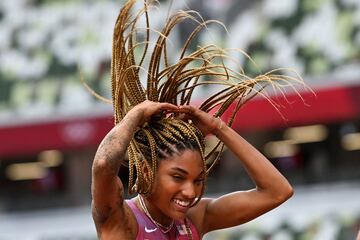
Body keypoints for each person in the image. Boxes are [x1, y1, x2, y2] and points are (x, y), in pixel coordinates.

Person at [91, 0, 297, 239]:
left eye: (198, 180)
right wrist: (134, 117)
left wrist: (218, 127)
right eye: (178, 177)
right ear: (147, 171)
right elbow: (104, 166)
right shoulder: (123, 221)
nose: (190, 192)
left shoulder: (196, 218)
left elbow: (278, 191)